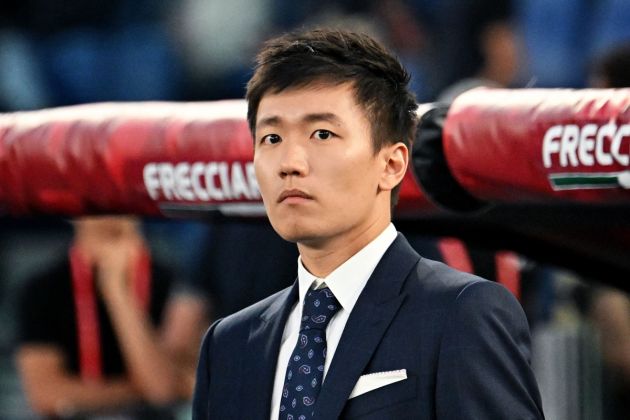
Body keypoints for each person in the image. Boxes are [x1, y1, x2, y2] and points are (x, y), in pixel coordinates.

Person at [193, 28, 544, 419]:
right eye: (271, 138)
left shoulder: (461, 314)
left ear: (392, 164)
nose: (290, 162)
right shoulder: (228, 344)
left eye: (322, 134)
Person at [15, 216, 190, 419]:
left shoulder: (176, 284)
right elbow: (45, 396)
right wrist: (139, 390)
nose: (108, 213)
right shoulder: (42, 289)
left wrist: (118, 292)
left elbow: (163, 391)